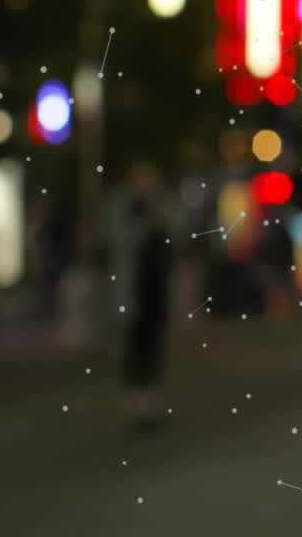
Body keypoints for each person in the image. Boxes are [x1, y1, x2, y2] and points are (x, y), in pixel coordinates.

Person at [122, 171, 172, 432]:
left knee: (153, 350)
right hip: (134, 292)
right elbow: (122, 243)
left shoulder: (161, 209)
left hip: (155, 292)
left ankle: (149, 404)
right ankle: (136, 405)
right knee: (136, 349)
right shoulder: (126, 210)